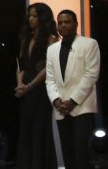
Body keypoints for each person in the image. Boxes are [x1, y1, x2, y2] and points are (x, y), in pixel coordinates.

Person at [45, 9, 100, 169]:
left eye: (67, 22)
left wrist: (73, 100)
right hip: (61, 108)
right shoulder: (52, 49)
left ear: (76, 24)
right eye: (60, 23)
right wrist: (56, 100)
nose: (63, 26)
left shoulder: (89, 44)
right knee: (67, 152)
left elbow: (91, 75)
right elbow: (50, 79)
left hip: (81, 106)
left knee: (82, 154)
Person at [14, 3, 59, 169]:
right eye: (30, 16)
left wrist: (30, 86)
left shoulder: (51, 39)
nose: (31, 19)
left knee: (40, 127)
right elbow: (21, 65)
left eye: (35, 16)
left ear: (43, 17)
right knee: (26, 127)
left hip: (40, 88)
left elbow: (49, 67)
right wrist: (20, 84)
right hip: (25, 87)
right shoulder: (26, 38)